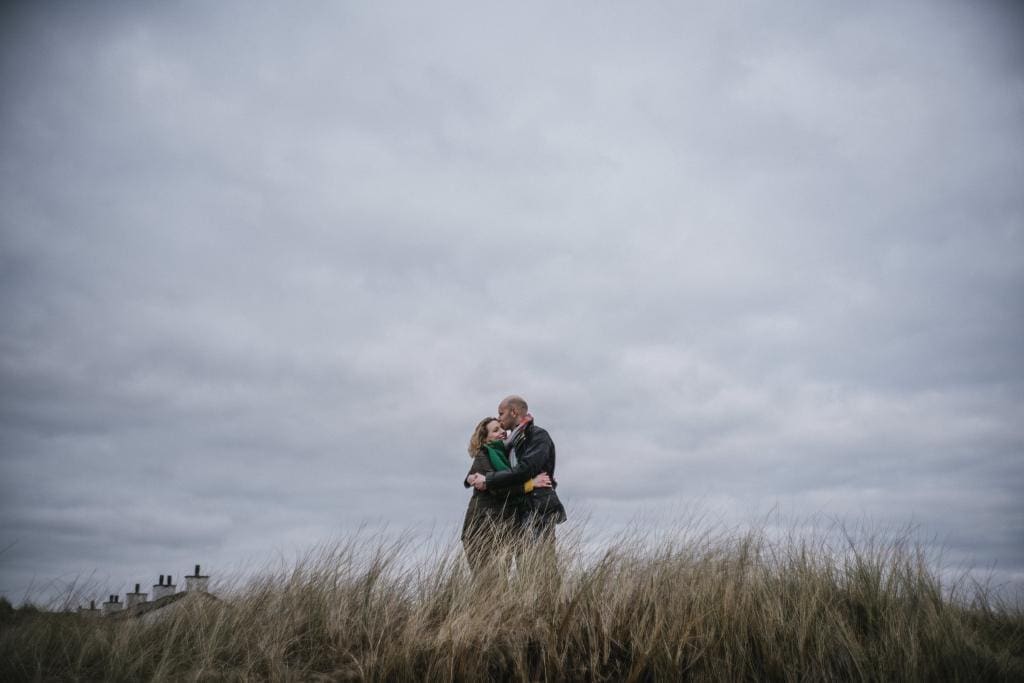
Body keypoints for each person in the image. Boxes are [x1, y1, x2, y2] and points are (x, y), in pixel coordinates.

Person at [467, 395, 566, 585]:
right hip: (521, 512)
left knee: (541, 568)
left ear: (514, 412)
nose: (500, 419)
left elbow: (525, 469)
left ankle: (553, 611)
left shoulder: (537, 436)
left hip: (537, 509)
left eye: (501, 413)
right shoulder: (513, 442)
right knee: (526, 570)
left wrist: (489, 480)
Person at [462, 416, 551, 576]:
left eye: (502, 428)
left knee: (500, 586)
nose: (502, 432)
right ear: (485, 439)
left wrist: (524, 423)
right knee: (488, 584)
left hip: (502, 531)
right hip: (482, 531)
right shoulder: (485, 454)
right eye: (495, 430)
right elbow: (499, 489)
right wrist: (530, 484)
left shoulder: (505, 455)